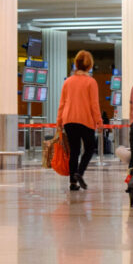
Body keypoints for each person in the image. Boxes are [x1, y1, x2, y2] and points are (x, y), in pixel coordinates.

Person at [56, 50, 103, 191]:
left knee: (74, 151)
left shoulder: (68, 81)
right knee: (89, 149)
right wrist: (99, 122)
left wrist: (59, 121)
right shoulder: (91, 82)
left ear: (76, 64)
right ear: (90, 65)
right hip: (86, 120)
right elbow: (94, 104)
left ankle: (72, 182)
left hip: (69, 119)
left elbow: (62, 103)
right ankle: (79, 173)